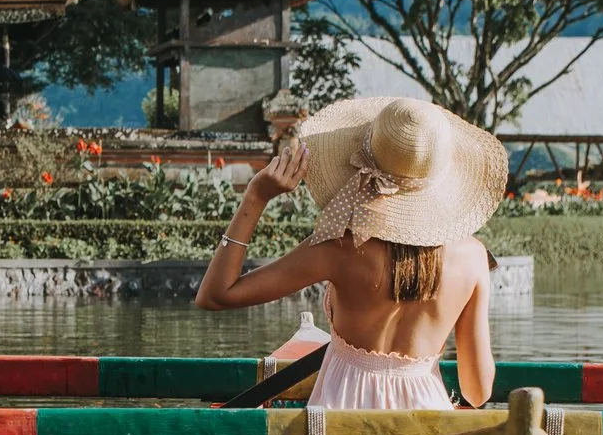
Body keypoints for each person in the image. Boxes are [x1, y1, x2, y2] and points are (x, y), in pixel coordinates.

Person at [195, 96, 506, 410]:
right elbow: (478, 391)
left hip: (336, 426)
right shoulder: (473, 257)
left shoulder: (341, 247)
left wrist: (256, 197)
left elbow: (216, 295)